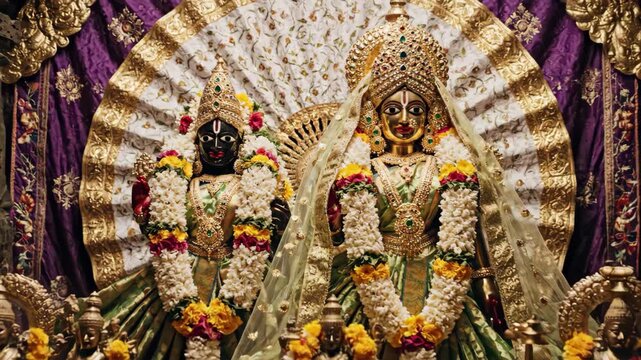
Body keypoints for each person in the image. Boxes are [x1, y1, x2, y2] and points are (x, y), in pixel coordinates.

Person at [95, 57, 290, 359]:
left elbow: (275, 247)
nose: (215, 144)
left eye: (226, 138)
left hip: (240, 281)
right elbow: (161, 233)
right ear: (194, 142)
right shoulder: (179, 182)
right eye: (207, 137)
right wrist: (148, 210)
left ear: (240, 144)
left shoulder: (256, 184)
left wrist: (279, 227)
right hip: (179, 277)